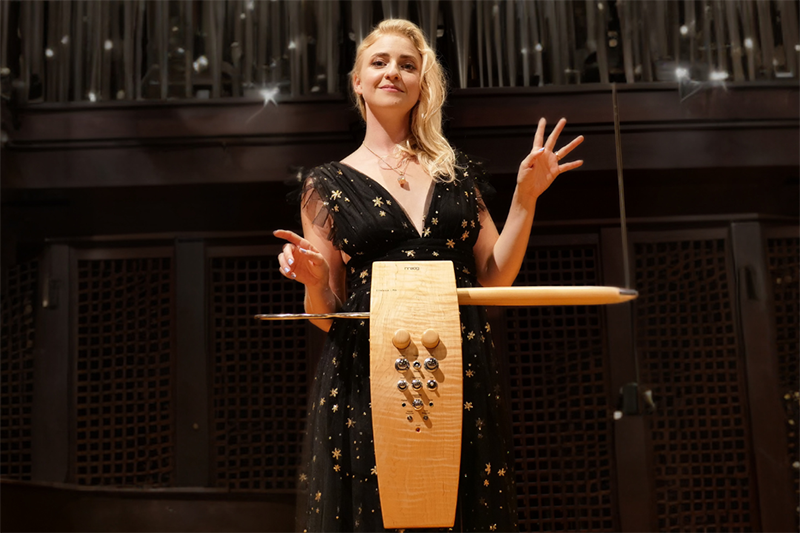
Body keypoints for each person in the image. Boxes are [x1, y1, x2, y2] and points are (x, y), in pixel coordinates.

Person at [273, 18, 583, 533]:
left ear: (421, 82)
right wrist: (311, 281)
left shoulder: (454, 171)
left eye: (407, 64)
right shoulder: (325, 185)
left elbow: (494, 278)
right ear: (358, 80)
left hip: (457, 360)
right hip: (371, 370)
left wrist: (526, 199)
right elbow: (330, 317)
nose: (392, 72)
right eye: (379, 62)